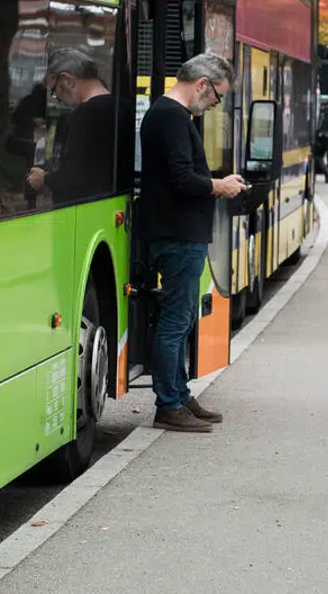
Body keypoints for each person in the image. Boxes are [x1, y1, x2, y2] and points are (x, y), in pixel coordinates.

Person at [136, 52, 248, 433]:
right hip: (177, 234)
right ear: (202, 83)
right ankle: (169, 404)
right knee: (176, 320)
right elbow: (180, 179)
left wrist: (217, 184)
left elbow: (180, 176)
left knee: (181, 319)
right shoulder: (170, 117)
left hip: (179, 231)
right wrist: (218, 185)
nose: (215, 105)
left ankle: (180, 396)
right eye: (217, 97)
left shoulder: (169, 116)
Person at [27, 49, 117, 205]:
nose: (59, 99)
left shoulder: (83, 115)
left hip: (81, 211)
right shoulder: (125, 108)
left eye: (54, 91)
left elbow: (73, 175)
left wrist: (44, 179)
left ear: (66, 79)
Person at [314, 96, 328, 182]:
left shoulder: (321, 113)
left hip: (322, 137)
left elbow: (317, 126)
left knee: (318, 155)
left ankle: (325, 171)